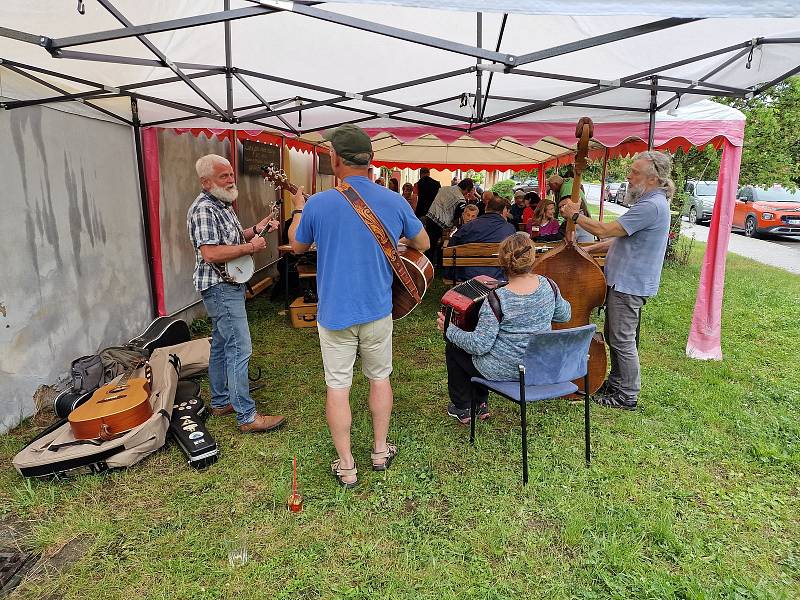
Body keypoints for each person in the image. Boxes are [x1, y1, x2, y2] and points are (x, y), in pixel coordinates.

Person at [288, 124, 430, 488]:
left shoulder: (318, 203)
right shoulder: (394, 200)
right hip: (378, 309)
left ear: (335, 159)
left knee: (338, 386)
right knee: (379, 378)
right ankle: (380, 451)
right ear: (371, 162)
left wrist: (300, 209)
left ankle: (347, 465)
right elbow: (424, 243)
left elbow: (298, 247)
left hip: (335, 313)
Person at [559, 151, 673, 410]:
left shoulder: (651, 205)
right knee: (615, 336)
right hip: (624, 280)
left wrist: (575, 216)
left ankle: (628, 395)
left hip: (629, 283)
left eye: (635, 172)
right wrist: (587, 250)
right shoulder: (650, 201)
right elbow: (621, 238)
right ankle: (617, 383)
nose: (629, 176)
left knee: (622, 339)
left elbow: (606, 230)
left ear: (652, 178)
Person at [186, 154, 285, 433]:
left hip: (226, 284)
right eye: (223, 176)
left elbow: (233, 238)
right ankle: (246, 416)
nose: (231, 180)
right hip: (220, 287)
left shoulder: (222, 203)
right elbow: (211, 253)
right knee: (240, 347)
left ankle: (220, 401)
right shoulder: (204, 208)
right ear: (206, 182)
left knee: (220, 344)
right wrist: (251, 248)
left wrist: (258, 228)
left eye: (231, 174)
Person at [437, 233, 572, 424]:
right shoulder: (549, 286)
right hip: (538, 366)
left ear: (502, 261)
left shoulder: (497, 298)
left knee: (455, 347)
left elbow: (479, 346)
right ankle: (480, 404)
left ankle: (463, 407)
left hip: (504, 370)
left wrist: (449, 330)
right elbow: (565, 315)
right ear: (533, 257)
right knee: (477, 350)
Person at [448, 194, 516, 281]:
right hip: (498, 275)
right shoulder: (510, 228)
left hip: (467, 275)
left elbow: (451, 247)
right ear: (503, 211)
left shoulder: (469, 226)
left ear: (486, 207)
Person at [425, 178, 475, 264]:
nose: (467, 193)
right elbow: (457, 216)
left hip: (430, 217)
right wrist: (454, 227)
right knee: (434, 244)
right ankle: (431, 265)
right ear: (467, 189)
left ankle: (427, 263)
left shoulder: (444, 188)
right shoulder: (460, 199)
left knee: (429, 243)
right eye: (468, 191)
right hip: (441, 223)